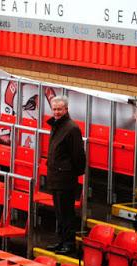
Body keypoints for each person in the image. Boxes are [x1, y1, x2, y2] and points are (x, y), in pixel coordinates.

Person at [45, 96, 86, 255]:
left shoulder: (71, 128)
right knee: (59, 212)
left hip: (65, 179)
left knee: (67, 213)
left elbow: (78, 156)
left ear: (66, 110)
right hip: (56, 177)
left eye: (59, 109)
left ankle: (69, 243)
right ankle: (62, 240)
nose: (56, 112)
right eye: (54, 109)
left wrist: (72, 173)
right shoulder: (56, 126)